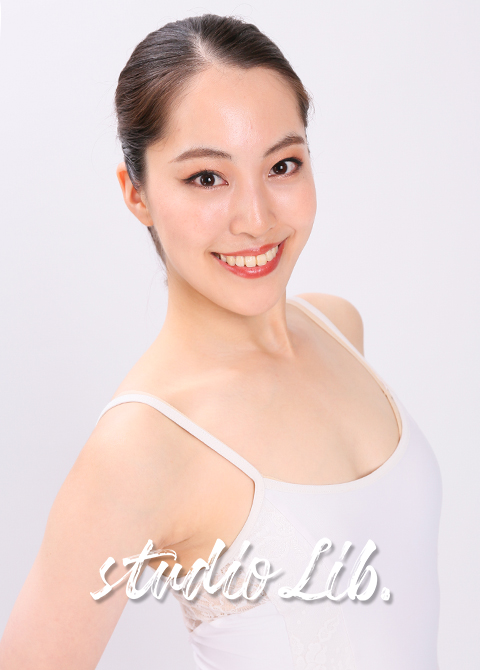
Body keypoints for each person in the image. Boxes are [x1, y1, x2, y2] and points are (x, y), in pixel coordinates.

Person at [0, 13, 442, 670]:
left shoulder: (338, 326)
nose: (256, 218)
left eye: (282, 165)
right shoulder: (143, 444)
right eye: (207, 177)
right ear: (137, 194)